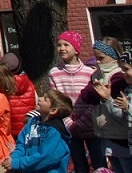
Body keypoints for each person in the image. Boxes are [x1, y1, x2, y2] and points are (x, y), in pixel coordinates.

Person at [46, 31, 99, 173]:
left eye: (66, 45)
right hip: (69, 128)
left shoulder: (90, 73)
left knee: (99, 164)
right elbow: (56, 101)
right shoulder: (54, 73)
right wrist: (69, 123)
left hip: (91, 126)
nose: (62, 48)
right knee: (79, 165)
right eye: (59, 45)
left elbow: (95, 101)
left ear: (76, 50)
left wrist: (81, 123)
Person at [88, 37, 130, 173]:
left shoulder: (119, 77)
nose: (98, 62)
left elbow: (120, 115)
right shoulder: (96, 75)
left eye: (101, 58)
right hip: (106, 134)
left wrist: (106, 98)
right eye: (96, 58)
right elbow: (87, 96)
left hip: (122, 137)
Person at [7, 88, 71, 173]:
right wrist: (13, 158)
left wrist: (17, 163)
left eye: (45, 99)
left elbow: (45, 157)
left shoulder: (55, 132)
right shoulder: (32, 122)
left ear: (53, 110)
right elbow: (21, 144)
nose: (40, 99)